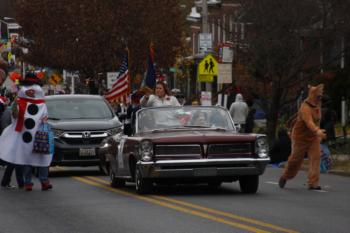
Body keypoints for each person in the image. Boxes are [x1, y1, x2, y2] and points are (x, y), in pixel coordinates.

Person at [0, 72, 53, 191]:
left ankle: (44, 181)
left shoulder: (41, 103)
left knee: (42, 157)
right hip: (24, 135)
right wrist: (16, 109)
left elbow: (45, 116)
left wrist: (45, 120)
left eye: (33, 86)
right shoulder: (19, 102)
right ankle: (28, 182)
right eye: (29, 86)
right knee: (27, 157)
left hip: (39, 135)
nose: (31, 90)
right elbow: (14, 117)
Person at [278, 84, 327, 190]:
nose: (320, 98)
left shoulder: (318, 105)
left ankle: (313, 183)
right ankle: (285, 176)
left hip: (313, 138)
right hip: (300, 138)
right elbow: (309, 122)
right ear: (312, 95)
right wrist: (317, 130)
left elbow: (317, 121)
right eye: (318, 96)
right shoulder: (305, 108)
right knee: (295, 161)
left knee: (316, 158)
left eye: (320, 96)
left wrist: (318, 134)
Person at [0, 96, 24, 189]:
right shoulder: (17, 109)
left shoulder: (14, 108)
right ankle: (20, 183)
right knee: (17, 161)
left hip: (14, 135)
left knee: (14, 161)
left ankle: (6, 181)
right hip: (17, 135)